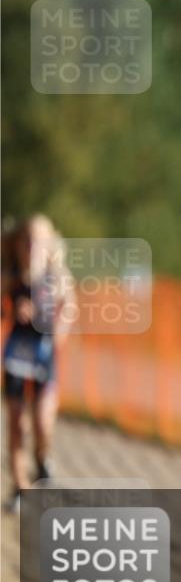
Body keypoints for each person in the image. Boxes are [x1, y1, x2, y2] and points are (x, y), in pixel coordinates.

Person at [2, 214, 75, 513]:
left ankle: (43, 461)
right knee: (17, 423)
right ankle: (21, 488)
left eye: (40, 240)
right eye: (28, 240)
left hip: (44, 356)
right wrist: (12, 309)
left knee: (43, 422)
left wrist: (59, 327)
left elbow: (69, 307)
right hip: (18, 357)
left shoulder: (57, 278)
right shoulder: (10, 277)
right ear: (18, 244)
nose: (33, 246)